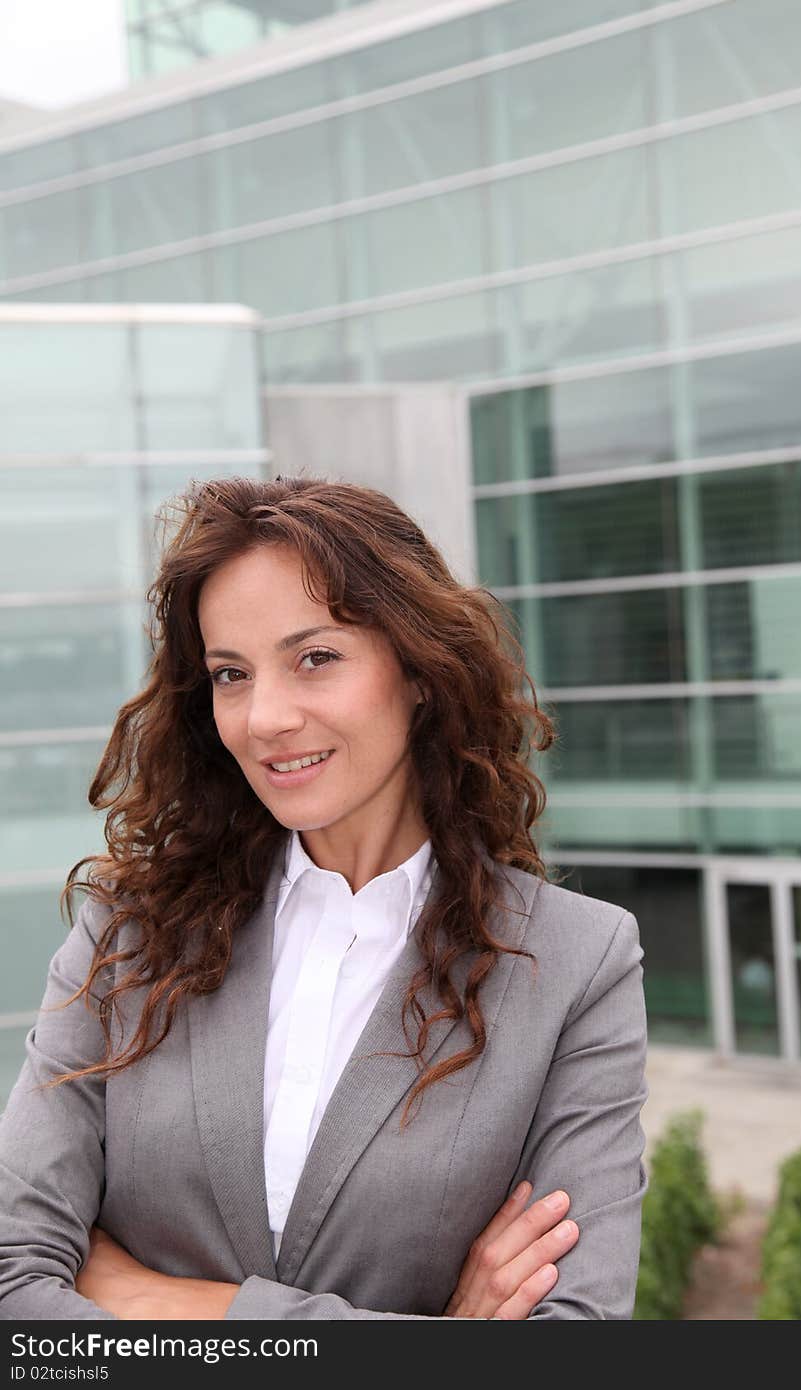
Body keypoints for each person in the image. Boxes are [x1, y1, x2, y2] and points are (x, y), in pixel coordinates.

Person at [0, 475, 648, 1321]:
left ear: (418, 670)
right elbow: (14, 1284)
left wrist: (167, 1300)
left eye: (316, 658)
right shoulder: (128, 932)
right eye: (231, 674)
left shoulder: (576, 963)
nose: (264, 717)